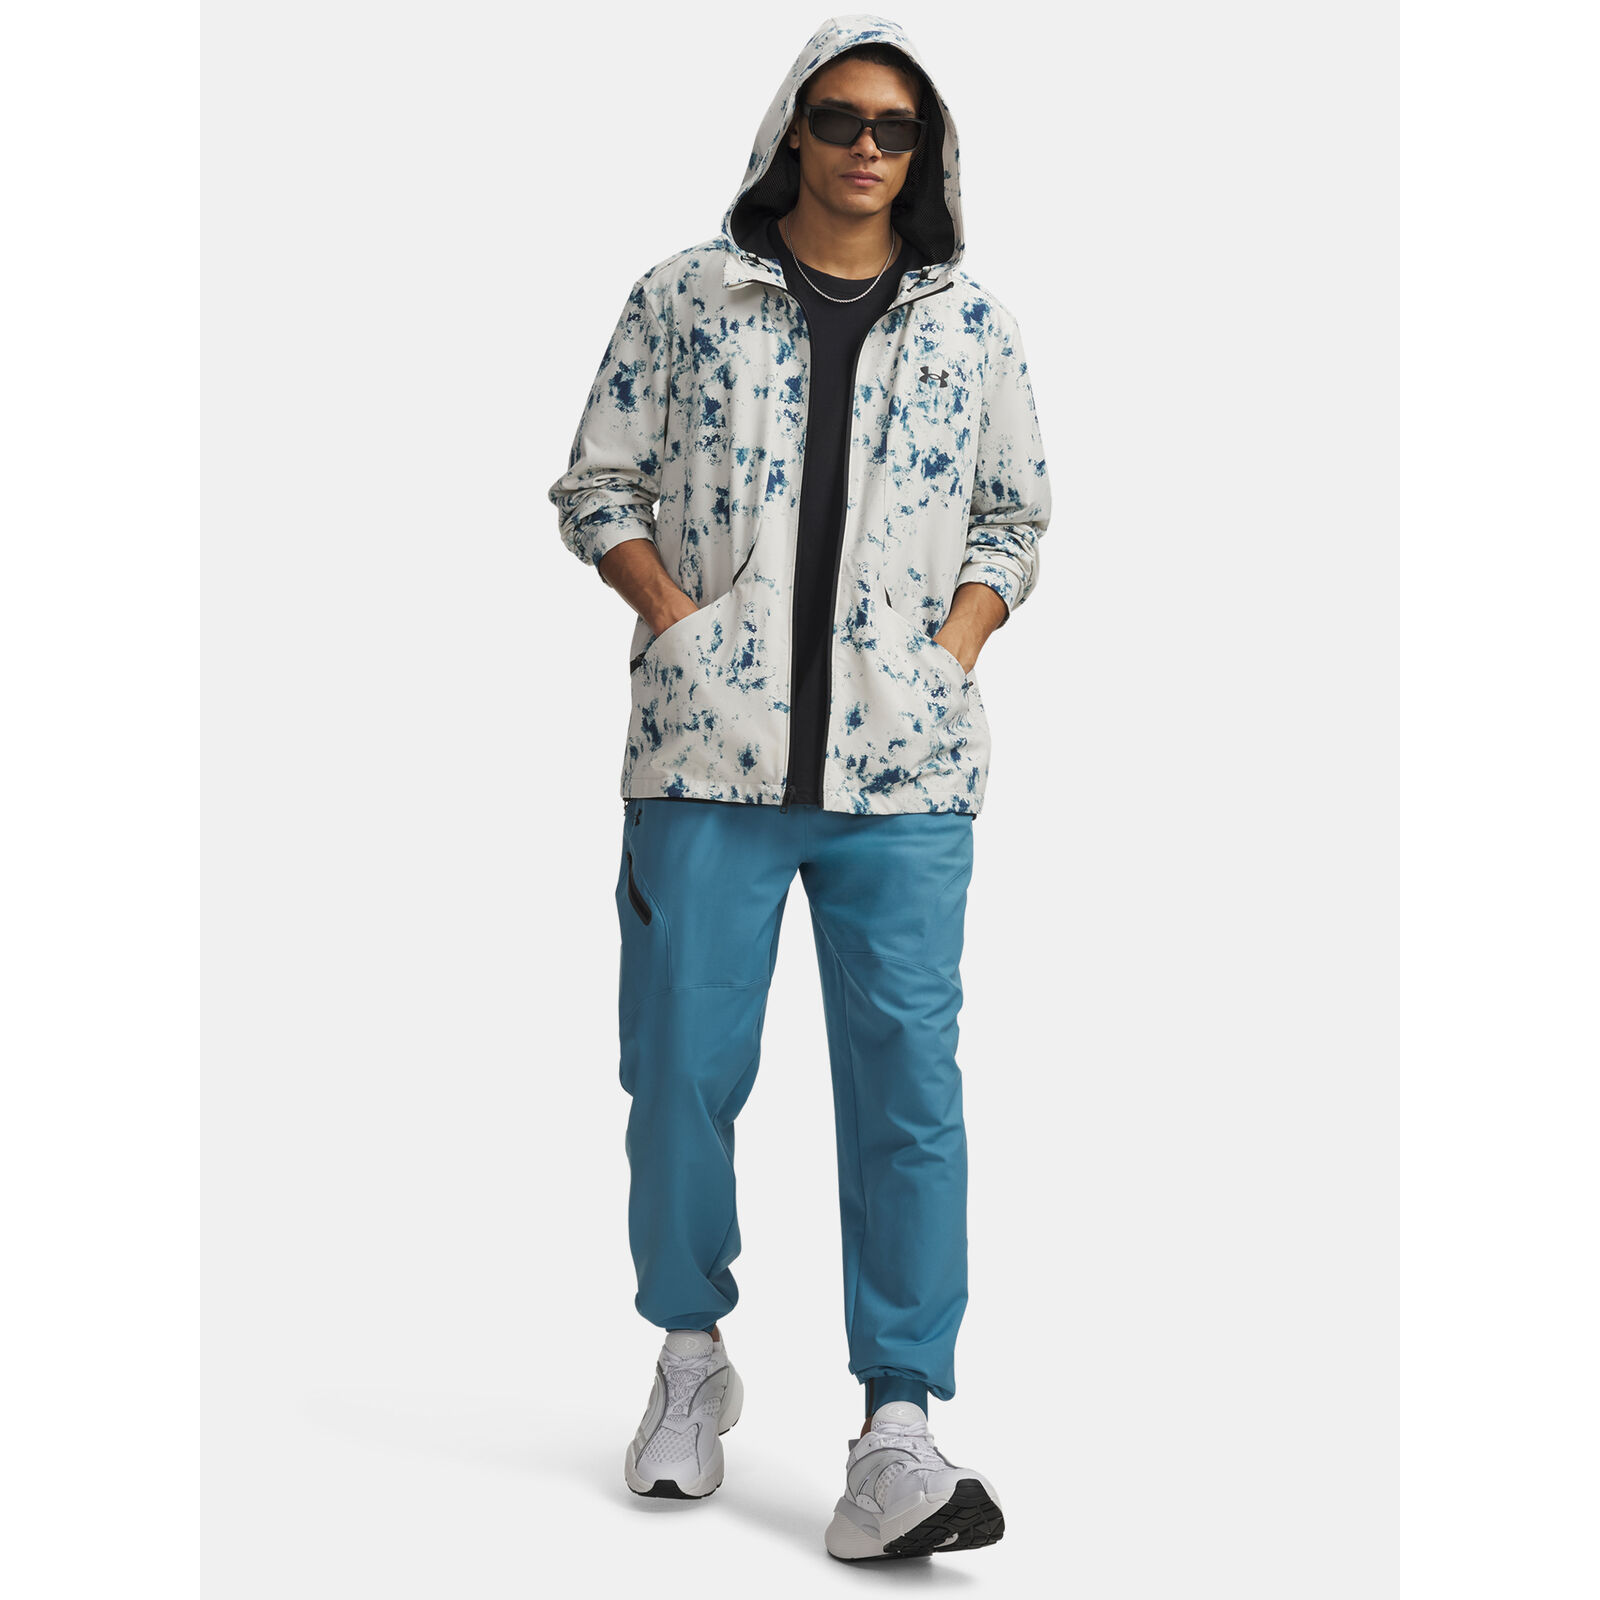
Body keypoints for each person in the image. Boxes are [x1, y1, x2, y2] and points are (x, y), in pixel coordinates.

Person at [548, 14, 1050, 1561]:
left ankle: (898, 1428)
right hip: (707, 762)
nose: (865, 147)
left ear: (927, 151)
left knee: (909, 1097)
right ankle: (689, 1358)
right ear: (793, 131)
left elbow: (1014, 517)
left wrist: (952, 652)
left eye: (895, 126)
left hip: (907, 777)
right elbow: (597, 482)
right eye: (840, 118)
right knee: (679, 1077)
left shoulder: (971, 326)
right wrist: (676, 622)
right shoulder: (688, 295)